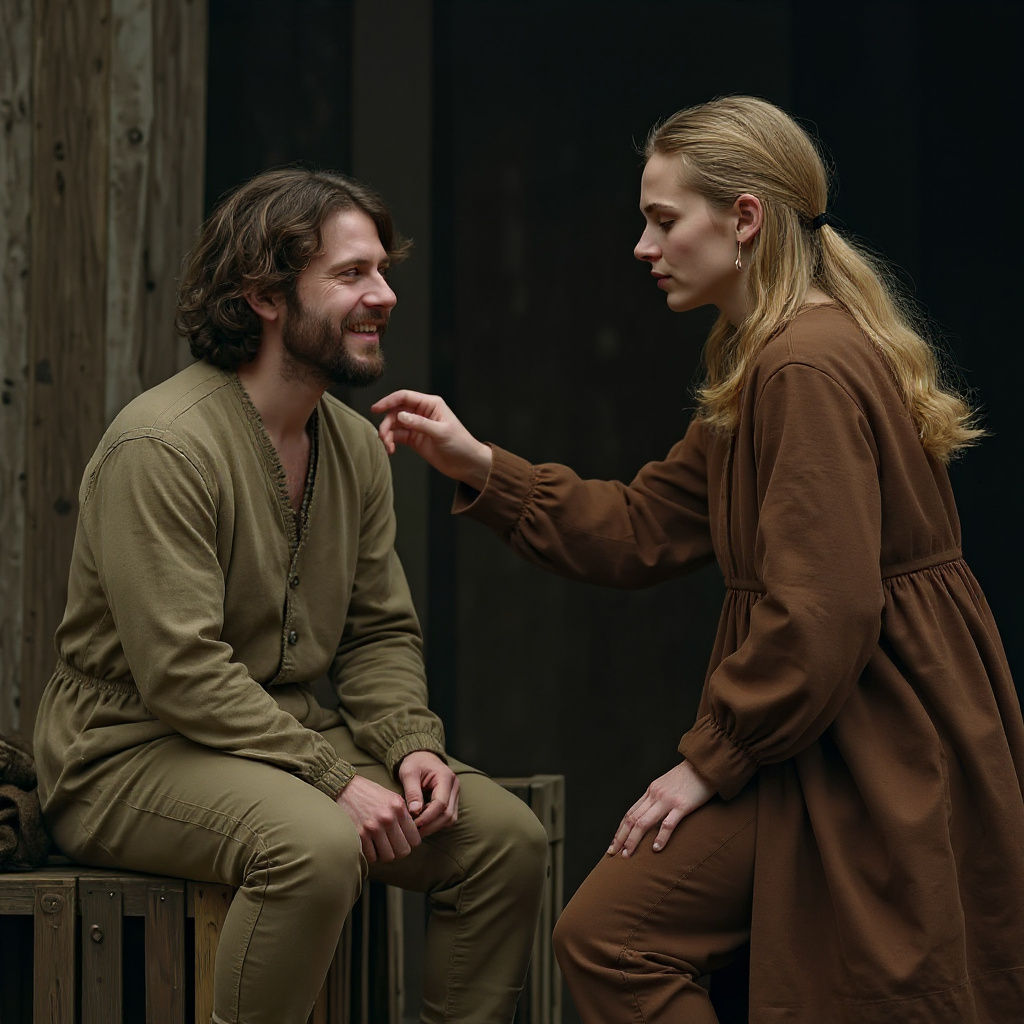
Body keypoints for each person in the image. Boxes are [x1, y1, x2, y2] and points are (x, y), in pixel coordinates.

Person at [372, 96, 1024, 1024]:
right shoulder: (769, 354)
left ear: (745, 218)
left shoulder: (802, 366)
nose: (644, 246)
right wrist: (482, 466)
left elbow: (826, 611)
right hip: (821, 724)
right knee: (618, 938)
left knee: (616, 939)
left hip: (870, 735)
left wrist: (711, 760)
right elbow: (645, 526)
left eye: (664, 219)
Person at [32, 168, 548, 1024]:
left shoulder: (352, 445)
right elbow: (181, 672)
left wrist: (410, 745)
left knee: (504, 841)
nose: (383, 295)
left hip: (285, 738)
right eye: (351, 274)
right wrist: (333, 778)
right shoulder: (162, 446)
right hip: (127, 751)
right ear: (264, 296)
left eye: (382, 270)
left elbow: (377, 634)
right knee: (313, 847)